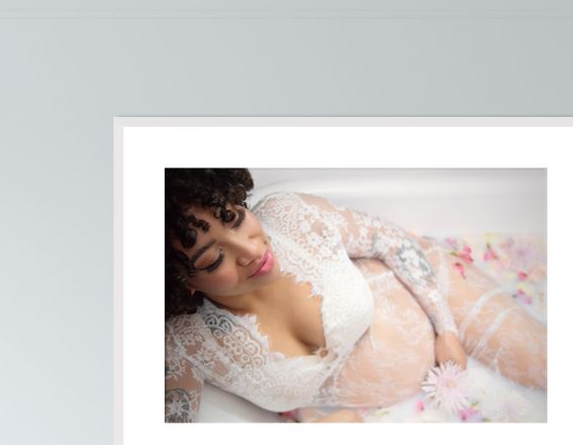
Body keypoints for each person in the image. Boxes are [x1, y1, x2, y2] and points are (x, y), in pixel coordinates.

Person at [163, 169, 546, 423]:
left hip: (434, 296)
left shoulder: (290, 215)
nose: (250, 249)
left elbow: (390, 240)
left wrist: (445, 329)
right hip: (393, 413)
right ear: (181, 281)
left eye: (233, 218)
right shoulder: (182, 344)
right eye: (213, 259)